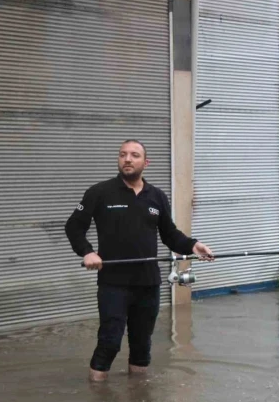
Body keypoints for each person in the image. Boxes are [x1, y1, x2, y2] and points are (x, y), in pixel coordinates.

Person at [65, 139, 213, 382]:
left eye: (134, 155)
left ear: (146, 162)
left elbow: (170, 234)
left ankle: (139, 400)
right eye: (123, 154)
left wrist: (193, 245)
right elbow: (73, 227)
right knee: (110, 342)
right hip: (113, 283)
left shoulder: (156, 196)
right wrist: (87, 252)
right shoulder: (99, 192)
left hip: (148, 283)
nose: (127, 159)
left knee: (142, 345)